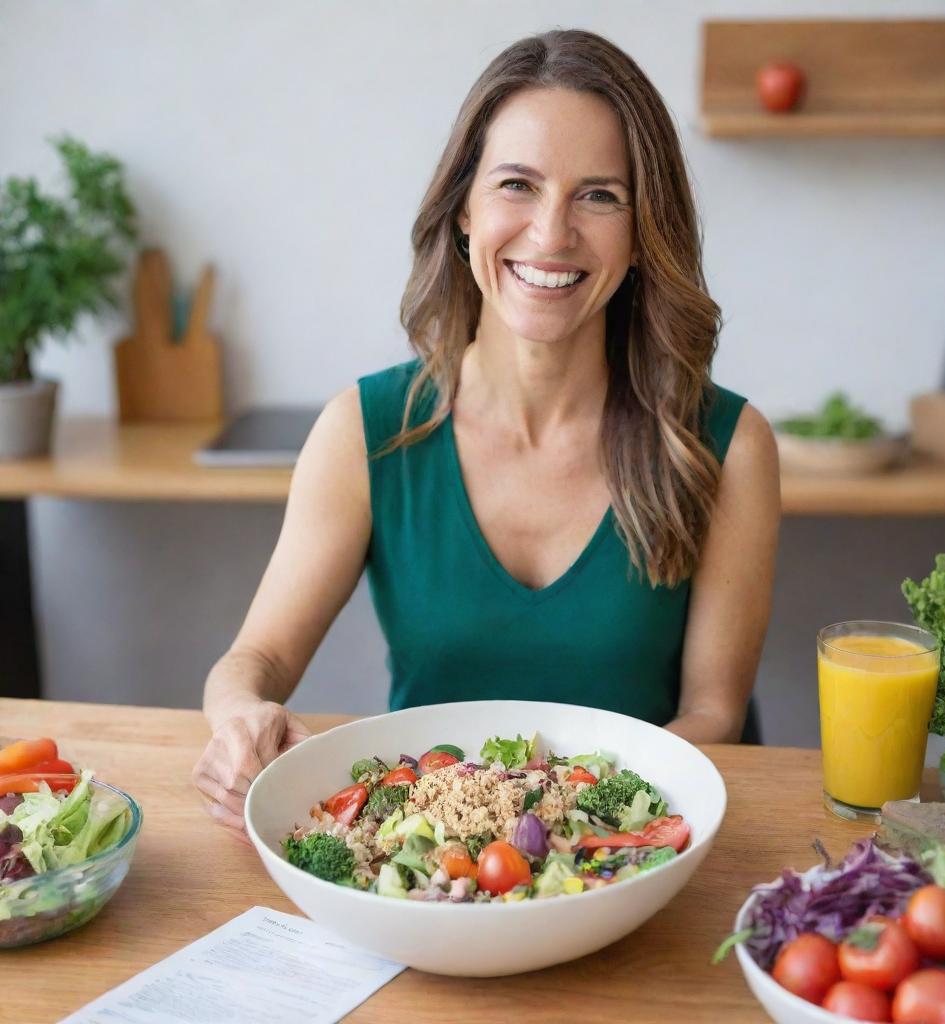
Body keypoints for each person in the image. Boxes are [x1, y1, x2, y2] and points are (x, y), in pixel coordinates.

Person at [192, 29, 780, 837]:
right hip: (429, 871)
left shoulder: (729, 445)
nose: (550, 233)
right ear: (463, 210)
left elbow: (713, 715)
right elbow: (250, 664)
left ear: (644, 234)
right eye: (517, 185)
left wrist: (558, 831)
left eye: (599, 195)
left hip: (635, 855)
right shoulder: (363, 434)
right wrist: (240, 718)